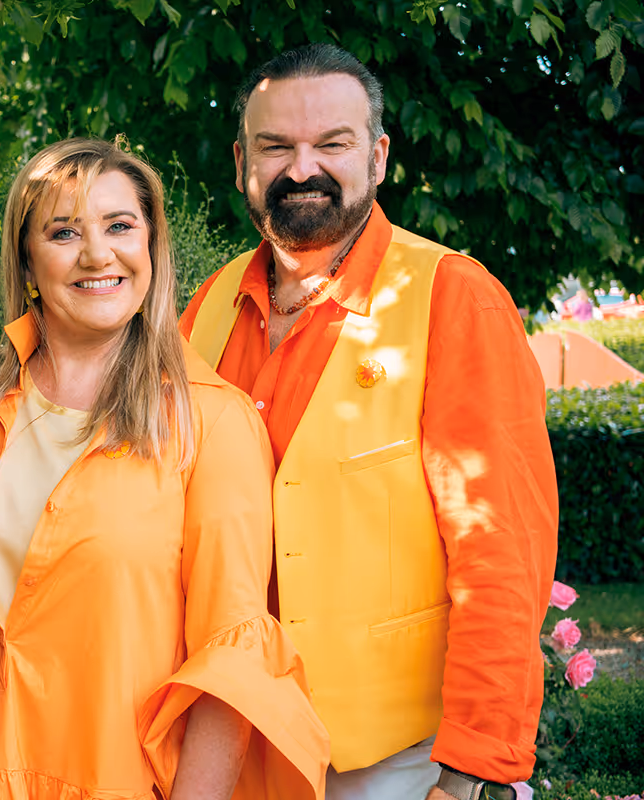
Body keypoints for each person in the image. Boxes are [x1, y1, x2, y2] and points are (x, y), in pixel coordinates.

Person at [180, 43, 559, 800]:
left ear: (379, 156)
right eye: (275, 146)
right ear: (239, 162)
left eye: (332, 144)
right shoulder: (206, 305)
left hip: (388, 764)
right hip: (229, 744)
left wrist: (472, 770)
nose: (301, 168)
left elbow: (500, 551)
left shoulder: (452, 298)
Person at [0, 137, 330, 800]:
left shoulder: (211, 423)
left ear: (150, 247)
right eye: (64, 231)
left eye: (120, 226)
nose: (98, 253)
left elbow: (228, 664)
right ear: (28, 260)